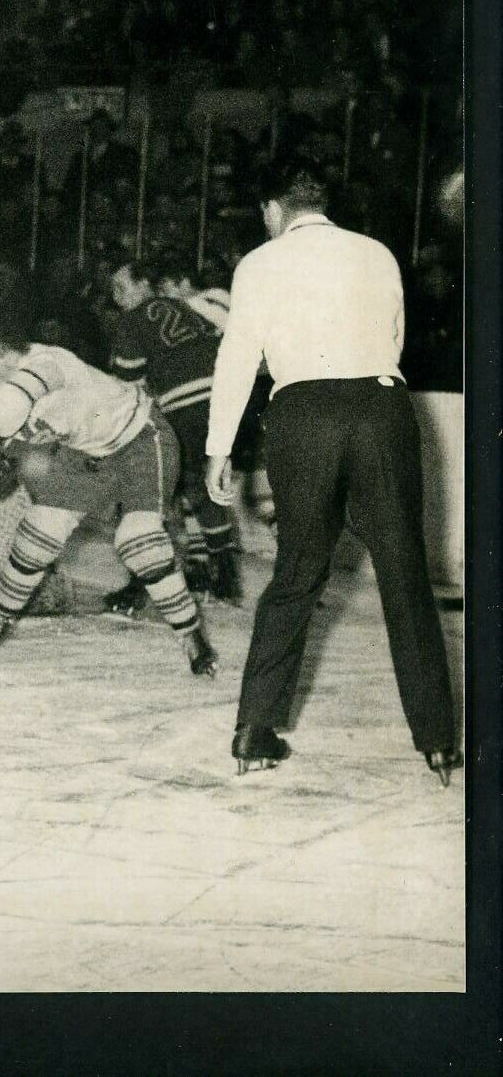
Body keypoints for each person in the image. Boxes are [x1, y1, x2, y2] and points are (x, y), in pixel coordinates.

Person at [204, 159, 461, 784]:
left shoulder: (259, 264)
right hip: (383, 407)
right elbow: (394, 339)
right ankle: (435, 740)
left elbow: (239, 355)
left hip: (303, 412)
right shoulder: (376, 253)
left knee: (297, 574)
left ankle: (254, 732)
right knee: (404, 575)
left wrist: (219, 449)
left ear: (273, 210)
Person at [0, 307, 219, 677]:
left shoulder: (46, 363)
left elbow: (18, 398)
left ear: (7, 353)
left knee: (139, 540)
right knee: (40, 530)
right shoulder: (8, 387)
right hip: (87, 455)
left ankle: (192, 637)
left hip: (139, 439)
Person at [106, 258, 243, 606]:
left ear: (143, 286)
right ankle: (223, 572)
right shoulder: (184, 307)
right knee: (197, 483)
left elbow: (127, 384)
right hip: (224, 398)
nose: (117, 297)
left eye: (122, 288)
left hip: (185, 404)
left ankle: (141, 582)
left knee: (150, 488)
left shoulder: (132, 320)